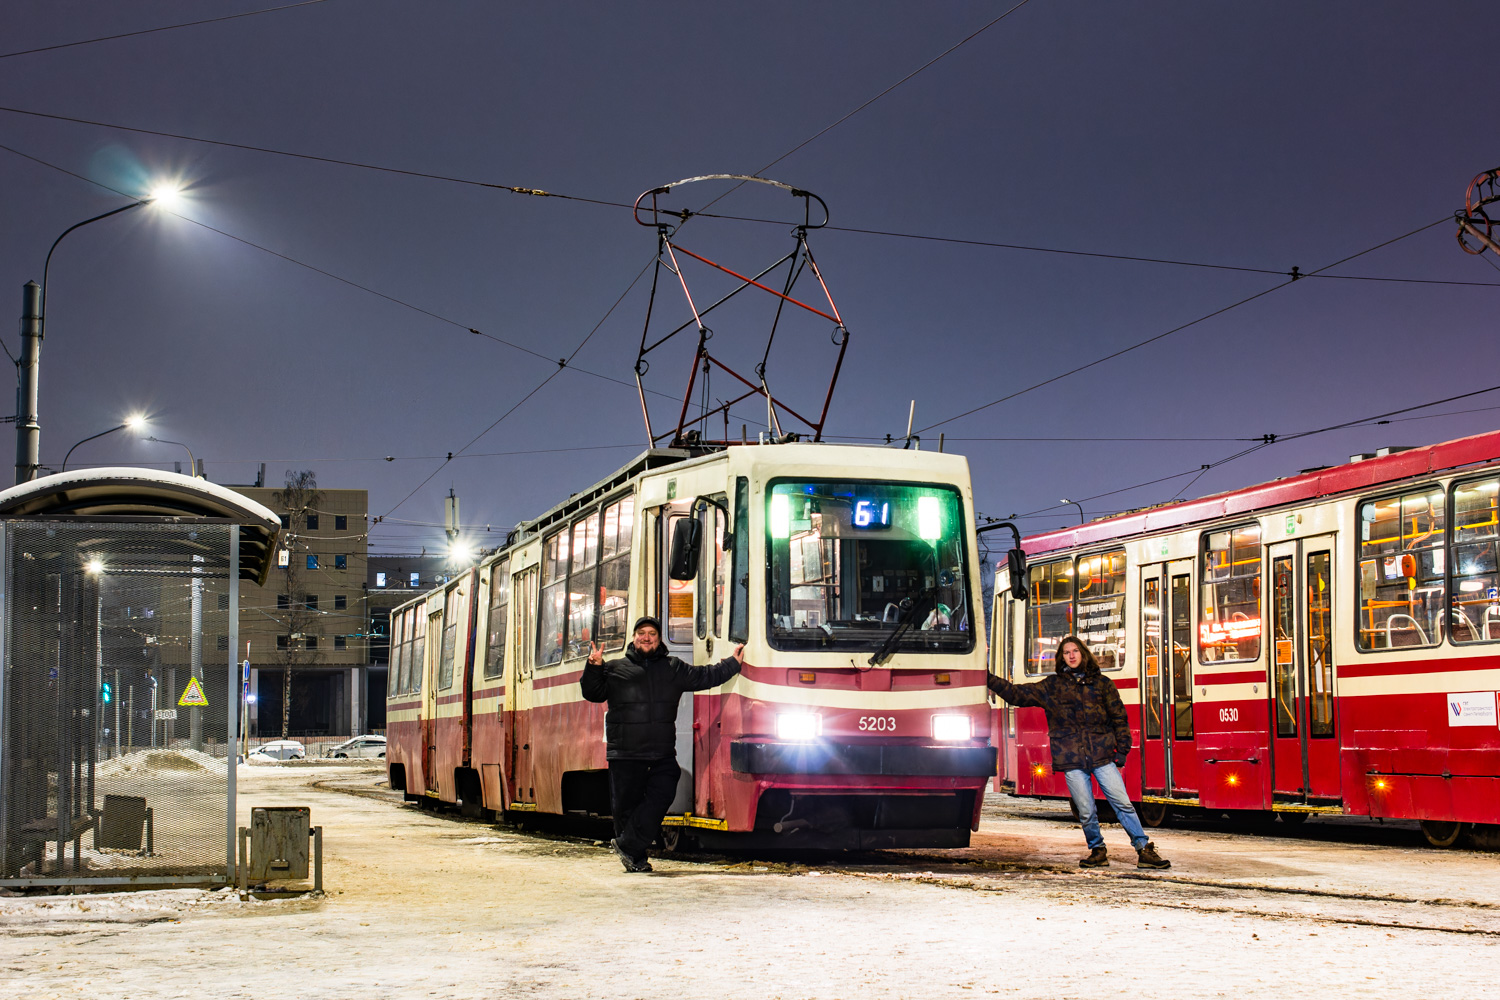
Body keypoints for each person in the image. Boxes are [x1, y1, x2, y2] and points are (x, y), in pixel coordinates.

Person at [988, 635, 1170, 869]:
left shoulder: (1103, 684)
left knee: (1123, 804)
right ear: (1061, 657)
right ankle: (1097, 850)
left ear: (1083, 653)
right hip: (1072, 758)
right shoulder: (1052, 686)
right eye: (1066, 652)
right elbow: (1016, 694)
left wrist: (1122, 750)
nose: (1071, 655)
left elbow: (1119, 718)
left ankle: (1144, 849)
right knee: (1086, 810)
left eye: (1075, 651)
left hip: (1102, 756)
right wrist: (988, 679)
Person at [581, 616, 744, 873]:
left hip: (661, 753)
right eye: (642, 633)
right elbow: (592, 692)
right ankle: (635, 858)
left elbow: (705, 676)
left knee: (665, 789)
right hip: (625, 753)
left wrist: (733, 663)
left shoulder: (673, 669)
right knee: (627, 808)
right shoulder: (614, 669)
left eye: (652, 634)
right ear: (634, 638)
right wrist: (593, 666)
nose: (647, 637)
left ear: (658, 639)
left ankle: (628, 845)